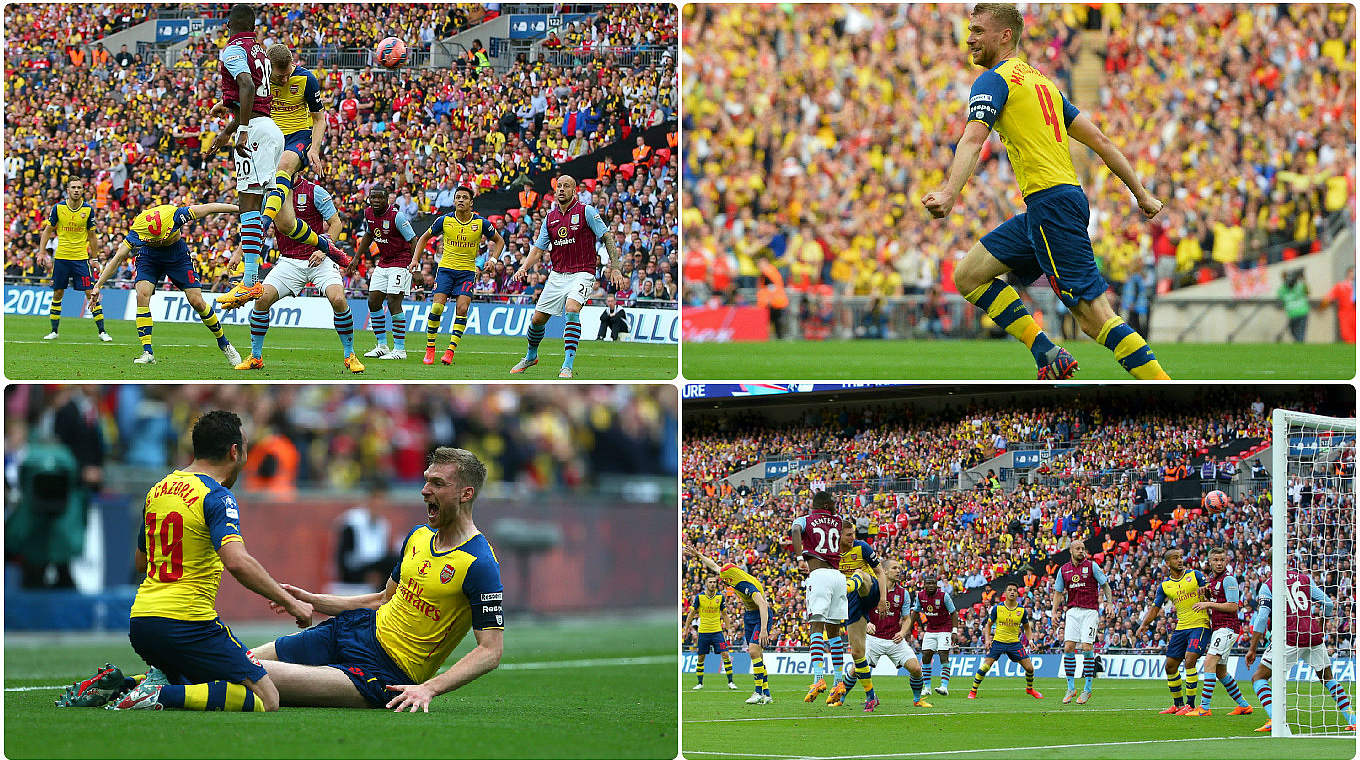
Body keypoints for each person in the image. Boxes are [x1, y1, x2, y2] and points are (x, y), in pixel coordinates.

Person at [922, 3, 1168, 380]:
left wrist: (949, 193)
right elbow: (1100, 140)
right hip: (1049, 206)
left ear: (1004, 36)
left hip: (1053, 205)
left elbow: (973, 139)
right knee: (969, 275)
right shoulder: (1042, 84)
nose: (969, 38)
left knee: (1094, 319)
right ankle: (1044, 350)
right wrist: (1141, 194)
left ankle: (1164, 386)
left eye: (977, 30)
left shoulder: (994, 80)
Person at [249, 448, 504, 710]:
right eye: (427, 480)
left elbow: (490, 651)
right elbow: (383, 599)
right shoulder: (419, 535)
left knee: (250, 672)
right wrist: (313, 601)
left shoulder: (479, 563)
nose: (425, 490)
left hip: (383, 673)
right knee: (237, 659)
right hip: (351, 630)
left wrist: (429, 688)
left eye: (438, 483)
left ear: (466, 493)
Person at [93, 411, 314, 711]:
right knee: (267, 698)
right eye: (246, 448)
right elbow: (237, 562)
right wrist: (290, 602)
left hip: (142, 622)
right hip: (188, 622)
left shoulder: (157, 490)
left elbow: (141, 563)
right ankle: (155, 696)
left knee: (191, 677)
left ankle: (121, 685)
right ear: (235, 451)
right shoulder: (216, 495)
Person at [210, 4, 339, 311]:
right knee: (284, 220)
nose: (282, 81)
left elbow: (246, 86)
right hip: (268, 130)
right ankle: (325, 249)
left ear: (229, 24)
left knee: (252, 203)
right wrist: (229, 120)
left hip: (278, 137)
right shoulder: (259, 52)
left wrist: (238, 128)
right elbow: (251, 95)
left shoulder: (239, 53)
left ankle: (251, 277)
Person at [233, 170, 364, 374]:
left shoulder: (315, 191)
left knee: (338, 299)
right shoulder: (271, 194)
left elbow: (336, 222)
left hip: (318, 259)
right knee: (261, 300)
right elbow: (257, 227)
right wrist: (238, 252)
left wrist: (324, 249)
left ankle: (350, 355)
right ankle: (255, 357)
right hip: (289, 262)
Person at [91, 203, 243, 366]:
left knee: (197, 302)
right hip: (149, 257)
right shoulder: (138, 230)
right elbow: (118, 258)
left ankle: (224, 343)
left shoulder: (176, 214)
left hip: (177, 255)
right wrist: (98, 284)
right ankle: (147, 351)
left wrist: (239, 208)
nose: (161, 238)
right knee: (142, 295)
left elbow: (209, 208)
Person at [510, 175, 625, 378]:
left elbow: (607, 236)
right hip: (557, 274)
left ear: (575, 191)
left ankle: (567, 364)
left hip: (583, 271)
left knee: (572, 308)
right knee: (537, 319)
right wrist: (524, 267)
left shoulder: (586, 211)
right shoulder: (551, 218)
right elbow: (538, 249)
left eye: (567, 186)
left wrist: (615, 267)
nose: (562, 189)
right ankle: (531, 356)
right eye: (559, 186)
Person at [1244, 566, 1355, 732]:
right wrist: (1321, 624)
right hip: (1313, 633)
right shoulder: (1304, 578)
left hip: (1289, 636)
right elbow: (1328, 603)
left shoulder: (1269, 585)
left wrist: (1252, 648)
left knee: (1258, 677)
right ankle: (1353, 720)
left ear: (1269, 567)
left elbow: (1261, 618)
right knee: (1327, 678)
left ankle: (1275, 719)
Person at [409, 186, 505, 366]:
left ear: (471, 202)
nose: (460, 200)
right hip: (445, 270)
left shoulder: (480, 223)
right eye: (457, 197)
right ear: (454, 201)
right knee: (437, 308)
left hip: (467, 273)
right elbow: (423, 238)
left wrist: (492, 260)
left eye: (464, 197)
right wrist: (415, 260)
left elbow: (499, 241)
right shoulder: (444, 220)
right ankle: (430, 349)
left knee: (461, 309)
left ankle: (450, 351)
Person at [684, 543, 773, 704]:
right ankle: (766, 694)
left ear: (731, 577)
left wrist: (764, 630)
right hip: (749, 616)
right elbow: (714, 566)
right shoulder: (732, 575)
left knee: (753, 651)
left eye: (725, 580)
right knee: (757, 654)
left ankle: (758, 692)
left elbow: (763, 604)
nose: (723, 582)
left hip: (761, 616)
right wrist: (698, 555)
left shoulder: (744, 585)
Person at [1132, 547, 1209, 715]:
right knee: (1170, 666)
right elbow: (1155, 607)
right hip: (1181, 627)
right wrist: (1144, 624)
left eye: (1181, 557)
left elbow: (1210, 591)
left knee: (1189, 660)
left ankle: (1191, 704)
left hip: (1199, 624)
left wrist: (1206, 591)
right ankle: (1178, 704)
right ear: (1167, 563)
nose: (1180, 560)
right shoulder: (1165, 585)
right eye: (1175, 558)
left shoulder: (1195, 575)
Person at [824, 516, 889, 711]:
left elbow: (880, 572)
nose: (853, 537)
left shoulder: (862, 548)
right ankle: (871, 696)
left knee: (859, 573)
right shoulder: (832, 553)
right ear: (838, 535)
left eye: (853, 533)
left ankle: (850, 585)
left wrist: (883, 599)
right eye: (849, 534)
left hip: (869, 589)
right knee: (857, 652)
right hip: (851, 601)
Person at [790, 490, 847, 703]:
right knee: (834, 631)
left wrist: (799, 558)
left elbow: (796, 530)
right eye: (833, 502)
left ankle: (819, 678)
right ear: (826, 504)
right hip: (838, 576)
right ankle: (839, 681)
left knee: (816, 626)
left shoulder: (805, 519)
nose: (835, 505)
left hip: (819, 575)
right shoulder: (838, 521)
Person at [39, 178, 111, 342]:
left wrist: (95, 258)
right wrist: (41, 252)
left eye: (79, 187)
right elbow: (47, 230)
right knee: (58, 293)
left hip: (80, 259)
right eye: (73, 187)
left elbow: (92, 236)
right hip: (62, 258)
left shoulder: (87, 209)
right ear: (67, 189)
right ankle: (54, 331)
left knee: (90, 293)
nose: (76, 190)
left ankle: (102, 331)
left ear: (83, 190)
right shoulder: (58, 208)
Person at [1186, 547, 1254, 717]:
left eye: (1222, 560)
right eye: (1215, 560)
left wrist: (1207, 604)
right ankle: (1244, 706)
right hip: (1218, 627)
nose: (1218, 563)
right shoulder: (1212, 579)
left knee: (1209, 663)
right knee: (1220, 671)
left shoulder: (1229, 580)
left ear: (1226, 561)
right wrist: (1206, 595)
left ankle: (1204, 708)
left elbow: (1233, 606)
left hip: (1227, 627)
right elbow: (1217, 599)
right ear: (1210, 562)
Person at [356, 185, 417, 360]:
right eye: (373, 197)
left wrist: (416, 266)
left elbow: (413, 240)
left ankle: (400, 350)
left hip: (401, 262)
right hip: (383, 263)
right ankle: (382, 345)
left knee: (393, 302)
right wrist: (356, 258)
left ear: (387, 199)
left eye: (379, 198)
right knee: (373, 301)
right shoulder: (368, 213)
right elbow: (369, 234)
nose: (376, 201)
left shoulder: (397, 216)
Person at [864, 559, 933, 709]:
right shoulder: (871, 589)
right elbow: (860, 609)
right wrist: (866, 623)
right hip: (873, 639)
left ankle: (917, 700)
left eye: (900, 568)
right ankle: (841, 697)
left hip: (894, 640)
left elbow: (907, 618)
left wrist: (902, 632)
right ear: (885, 571)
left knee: (916, 669)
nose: (898, 571)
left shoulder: (903, 593)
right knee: (856, 671)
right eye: (895, 568)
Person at [1050, 540, 1111, 704]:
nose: (1081, 551)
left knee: (1086, 647)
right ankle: (1071, 687)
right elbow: (1058, 592)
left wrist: (1109, 603)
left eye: (1083, 549)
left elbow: (1105, 585)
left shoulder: (1092, 566)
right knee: (1068, 647)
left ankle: (1088, 689)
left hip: (1090, 611)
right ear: (1071, 551)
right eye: (1078, 548)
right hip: (1072, 612)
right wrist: (1054, 611)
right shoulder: (1064, 570)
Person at [968, 582, 1043, 700]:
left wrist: (1031, 640)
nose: (1012, 592)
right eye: (1010, 590)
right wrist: (987, 640)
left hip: (1014, 643)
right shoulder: (997, 608)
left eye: (1014, 590)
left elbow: (1027, 627)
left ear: (1017, 593)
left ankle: (1029, 689)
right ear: (1005, 593)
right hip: (998, 642)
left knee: (1030, 668)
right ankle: (973, 691)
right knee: (985, 667)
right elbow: (988, 626)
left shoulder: (1021, 610)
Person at [907, 569, 959, 696]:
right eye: (928, 583)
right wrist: (909, 628)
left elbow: (953, 613)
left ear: (937, 585)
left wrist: (954, 631)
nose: (931, 586)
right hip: (930, 628)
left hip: (945, 628)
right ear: (924, 585)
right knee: (926, 656)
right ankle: (927, 688)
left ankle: (944, 687)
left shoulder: (943, 596)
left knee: (943, 655)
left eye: (933, 583)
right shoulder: (920, 596)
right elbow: (915, 612)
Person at [683, 576, 737, 691]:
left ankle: (731, 682)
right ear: (706, 584)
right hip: (703, 632)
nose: (713, 584)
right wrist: (685, 628)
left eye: (714, 582)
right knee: (701, 657)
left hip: (717, 632)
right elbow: (691, 613)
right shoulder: (699, 597)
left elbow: (725, 615)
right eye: (710, 582)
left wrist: (729, 629)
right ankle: (700, 683)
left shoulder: (720, 597)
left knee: (726, 654)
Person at [1318, 265, 1355, 344]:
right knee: (1347, 335)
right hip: (1345, 313)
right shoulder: (1341, 286)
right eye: (1352, 272)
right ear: (1348, 273)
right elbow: (1329, 297)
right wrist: (1322, 307)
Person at [1277, 268, 1310, 342]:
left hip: (1302, 312)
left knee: (1300, 332)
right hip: (1293, 314)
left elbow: (1307, 292)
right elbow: (1279, 301)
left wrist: (1303, 279)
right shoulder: (1283, 289)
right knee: (1293, 331)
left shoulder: (1299, 285)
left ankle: (1300, 345)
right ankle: (1299, 344)